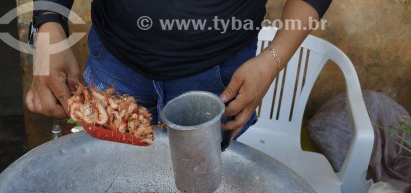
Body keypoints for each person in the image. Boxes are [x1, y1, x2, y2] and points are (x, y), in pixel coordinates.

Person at [26, 0, 331, 138]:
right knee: (111, 189)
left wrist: (272, 61)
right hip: (116, 64)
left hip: (219, 75)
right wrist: (49, 26)